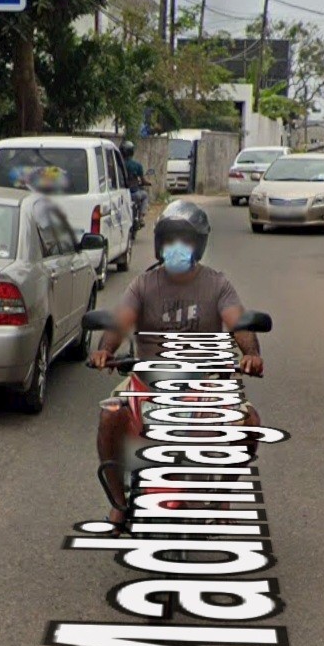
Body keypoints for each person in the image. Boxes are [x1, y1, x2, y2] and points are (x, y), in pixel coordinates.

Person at [90, 200, 263, 526]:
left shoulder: (217, 284)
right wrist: (104, 351)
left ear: (199, 245)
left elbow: (238, 323)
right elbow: (119, 322)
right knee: (109, 415)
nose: (177, 247)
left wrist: (251, 353)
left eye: (186, 240)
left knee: (249, 422)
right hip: (148, 383)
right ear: (160, 244)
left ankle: (222, 495)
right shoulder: (143, 284)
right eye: (170, 240)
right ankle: (118, 502)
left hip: (206, 385)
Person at [120, 139, 148, 224]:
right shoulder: (137, 165)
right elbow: (143, 180)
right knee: (145, 195)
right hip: (134, 193)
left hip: (122, 194)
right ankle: (141, 217)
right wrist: (147, 183)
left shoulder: (118, 164)